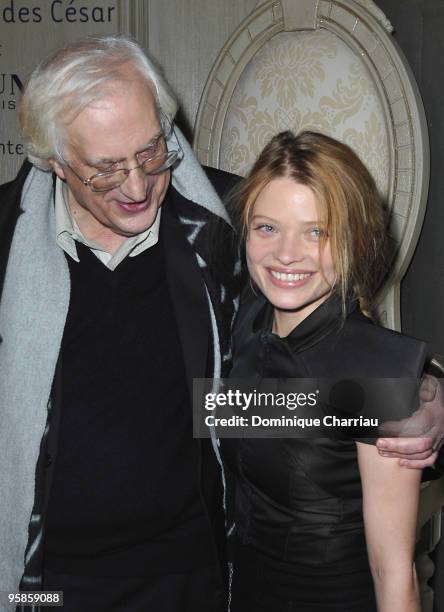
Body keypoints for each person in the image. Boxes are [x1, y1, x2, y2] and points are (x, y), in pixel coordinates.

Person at [0, 35, 241, 611]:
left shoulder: (228, 226)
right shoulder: (5, 242)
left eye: (152, 152)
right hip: (47, 586)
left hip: (188, 578)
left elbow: (270, 391)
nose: (137, 188)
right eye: (106, 170)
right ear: (55, 162)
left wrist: (409, 393)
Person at [222, 131, 430, 611]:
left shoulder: (380, 369)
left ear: (354, 240)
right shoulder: (243, 324)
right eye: (267, 228)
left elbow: (394, 573)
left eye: (317, 231)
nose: (287, 253)